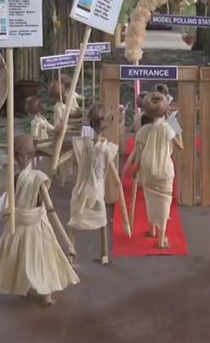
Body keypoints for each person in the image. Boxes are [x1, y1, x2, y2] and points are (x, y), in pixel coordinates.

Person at [0, 135, 79, 306]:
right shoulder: (34, 178)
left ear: (18, 156)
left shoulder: (24, 178)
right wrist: (67, 242)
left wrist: (67, 242)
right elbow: (50, 209)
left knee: (25, 257)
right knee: (40, 259)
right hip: (34, 225)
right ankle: (43, 293)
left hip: (26, 224)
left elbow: (10, 203)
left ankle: (40, 292)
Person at [68, 104, 130, 265]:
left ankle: (70, 254)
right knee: (101, 221)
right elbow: (115, 176)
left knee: (75, 221)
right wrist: (119, 185)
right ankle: (104, 254)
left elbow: (75, 160)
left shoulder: (83, 144)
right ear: (107, 123)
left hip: (81, 189)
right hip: (95, 191)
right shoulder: (106, 149)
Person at [122, 92, 183, 248]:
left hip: (148, 170)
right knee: (164, 201)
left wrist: (134, 170)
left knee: (151, 200)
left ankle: (152, 230)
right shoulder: (169, 129)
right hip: (165, 170)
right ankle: (161, 239)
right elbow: (181, 147)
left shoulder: (143, 131)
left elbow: (139, 154)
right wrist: (174, 124)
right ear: (166, 110)